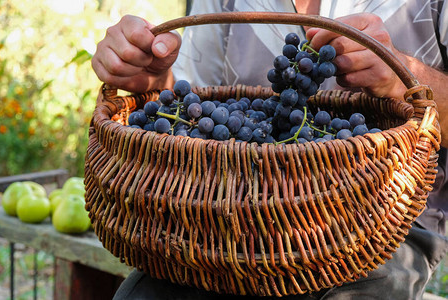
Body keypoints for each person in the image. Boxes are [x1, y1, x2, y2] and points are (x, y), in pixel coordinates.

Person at [92, 1, 448, 299]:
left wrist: (403, 80)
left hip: (380, 222)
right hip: (223, 213)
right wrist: (148, 79)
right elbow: (196, 112)